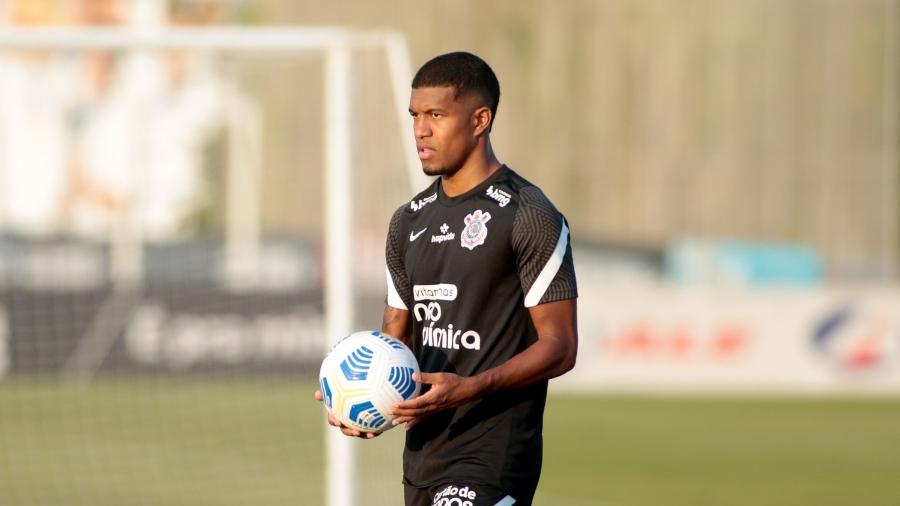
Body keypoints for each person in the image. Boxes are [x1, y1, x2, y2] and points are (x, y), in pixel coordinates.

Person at [316, 51, 578, 506]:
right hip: (422, 458)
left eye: (436, 114)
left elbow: (560, 347)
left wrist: (473, 387)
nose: (420, 129)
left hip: (493, 456)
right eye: (415, 115)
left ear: (480, 119)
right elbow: (395, 340)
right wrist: (362, 398)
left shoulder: (529, 215)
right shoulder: (407, 221)